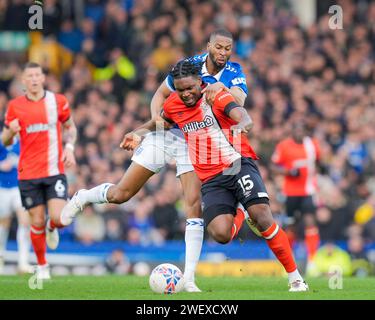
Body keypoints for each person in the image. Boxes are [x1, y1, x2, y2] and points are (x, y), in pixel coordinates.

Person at [61, 29, 249, 292]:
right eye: (218, 47)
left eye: (227, 48)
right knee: (121, 194)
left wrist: (222, 88)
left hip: (195, 141)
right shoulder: (189, 66)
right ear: (209, 46)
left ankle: (190, 278)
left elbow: (239, 101)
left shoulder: (234, 71)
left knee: (193, 207)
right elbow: (159, 95)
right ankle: (83, 197)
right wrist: (155, 121)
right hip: (168, 133)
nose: (223, 53)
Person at [121, 60, 308, 291]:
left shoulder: (216, 97)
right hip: (211, 178)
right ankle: (241, 209)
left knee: (262, 216)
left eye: (190, 88)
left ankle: (295, 278)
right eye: (180, 90)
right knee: (221, 234)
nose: (186, 94)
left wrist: (243, 124)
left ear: (200, 82)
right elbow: (159, 124)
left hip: (236, 164)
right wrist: (137, 133)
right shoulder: (172, 105)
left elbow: (242, 114)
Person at [1, 62, 77, 280]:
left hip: (54, 171)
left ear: (43, 78)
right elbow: (5, 140)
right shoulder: (15, 106)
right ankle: (42, 266)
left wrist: (70, 148)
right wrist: (11, 132)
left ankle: (52, 227)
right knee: (34, 222)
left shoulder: (58, 101)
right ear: (24, 81)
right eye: (29, 76)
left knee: (59, 218)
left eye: (37, 75)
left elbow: (71, 128)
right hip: (28, 174)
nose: (34, 79)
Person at [271, 122, 321, 265]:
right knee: (290, 225)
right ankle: (288, 259)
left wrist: (317, 171)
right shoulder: (284, 146)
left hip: (308, 190)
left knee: (310, 222)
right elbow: (273, 166)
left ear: (305, 132)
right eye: (297, 130)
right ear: (292, 132)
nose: (299, 133)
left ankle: (312, 260)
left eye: (302, 130)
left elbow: (318, 161)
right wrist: (288, 171)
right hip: (290, 192)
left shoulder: (312, 145)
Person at [0, 138, 32, 274]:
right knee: (3, 224)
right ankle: (1, 259)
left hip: (19, 187)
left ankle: (23, 262)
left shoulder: (24, 142)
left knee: (25, 222)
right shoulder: (1, 141)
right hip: (2, 188)